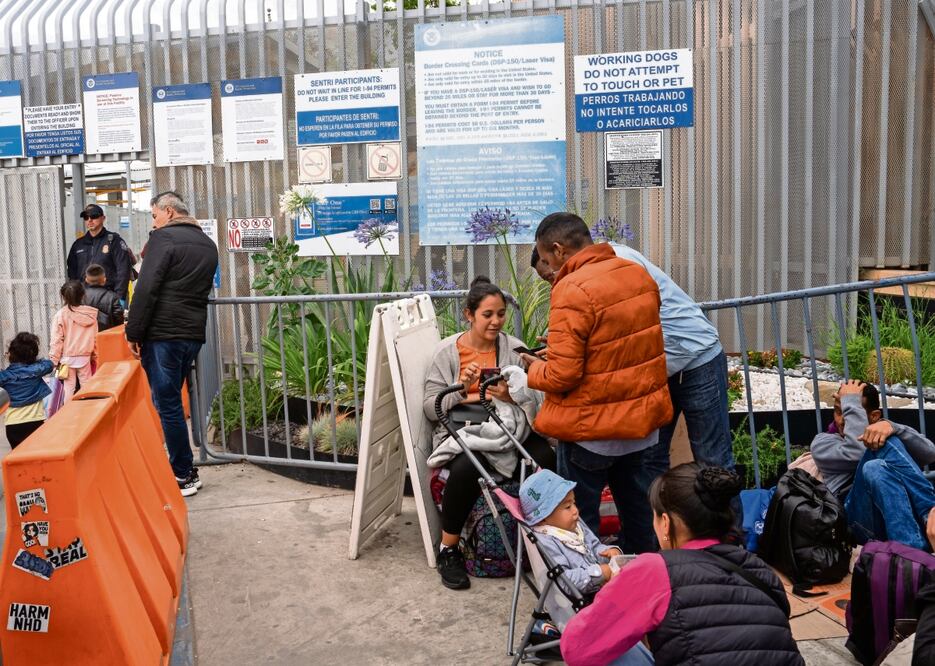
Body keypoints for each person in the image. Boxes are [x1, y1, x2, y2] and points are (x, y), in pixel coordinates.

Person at [523, 212, 672, 554]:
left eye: (547, 261)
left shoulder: (571, 287)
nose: (550, 270)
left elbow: (563, 375)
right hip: (640, 428)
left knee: (580, 520)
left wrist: (530, 372)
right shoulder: (636, 274)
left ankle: (592, 591)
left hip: (591, 433)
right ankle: (643, 584)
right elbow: (620, 346)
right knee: (639, 515)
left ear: (559, 250)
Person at [560, 463, 804, 666]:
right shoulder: (760, 569)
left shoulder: (654, 569)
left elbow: (575, 648)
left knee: (610, 644)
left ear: (665, 523)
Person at [531, 243, 732, 472]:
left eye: (549, 276)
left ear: (559, 252)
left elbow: (626, 329)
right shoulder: (593, 274)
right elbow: (612, 335)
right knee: (650, 461)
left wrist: (564, 355)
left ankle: (726, 509)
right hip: (657, 369)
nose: (553, 284)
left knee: (714, 463)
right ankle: (657, 509)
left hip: (696, 358)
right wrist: (569, 347)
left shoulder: (619, 263)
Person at [423, 276, 557, 590]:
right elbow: (431, 408)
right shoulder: (447, 354)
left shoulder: (512, 349)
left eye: (500, 314)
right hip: (466, 426)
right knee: (468, 468)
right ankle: (449, 548)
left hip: (510, 424)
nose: (496, 321)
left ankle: (547, 543)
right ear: (468, 314)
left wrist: (512, 396)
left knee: (543, 460)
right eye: (487, 315)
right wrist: (461, 388)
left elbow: (534, 395)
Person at [126, 192, 218, 497]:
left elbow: (146, 288)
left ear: (168, 212)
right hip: (191, 334)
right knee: (170, 403)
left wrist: (133, 331)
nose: (153, 222)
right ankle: (181, 464)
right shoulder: (207, 244)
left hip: (163, 334)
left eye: (153, 215)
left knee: (167, 404)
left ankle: (183, 473)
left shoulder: (163, 240)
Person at [810, 380, 935, 550]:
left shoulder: (881, 428)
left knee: (874, 467)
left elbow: (929, 453)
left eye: (850, 411)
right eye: (839, 411)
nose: (841, 420)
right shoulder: (823, 443)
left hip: (899, 518)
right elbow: (859, 451)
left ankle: (911, 548)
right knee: (884, 442)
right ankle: (929, 510)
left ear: (874, 416)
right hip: (856, 522)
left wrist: (891, 426)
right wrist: (853, 403)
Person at [520, 469, 621, 596]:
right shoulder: (547, 541)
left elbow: (595, 547)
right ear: (543, 517)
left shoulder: (575, 524)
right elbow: (564, 580)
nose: (575, 511)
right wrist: (599, 572)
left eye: (574, 503)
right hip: (585, 596)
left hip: (603, 584)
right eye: (567, 507)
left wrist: (609, 551)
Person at [66, 204, 133, 303]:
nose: (89, 220)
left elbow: (123, 270)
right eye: (86, 217)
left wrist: (119, 298)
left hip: (109, 297)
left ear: (103, 218)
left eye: (94, 216)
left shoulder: (114, 241)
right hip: (84, 298)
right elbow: (72, 272)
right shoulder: (78, 244)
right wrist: (76, 296)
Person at [0, 333, 54, 448]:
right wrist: (33, 362)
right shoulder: (37, 370)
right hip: (36, 422)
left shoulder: (4, 376)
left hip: (13, 425)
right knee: (36, 458)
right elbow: (49, 364)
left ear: (11, 355)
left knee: (18, 460)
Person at [49, 281, 99, 403]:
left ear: (63, 296)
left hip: (67, 359)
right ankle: (89, 411)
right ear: (82, 295)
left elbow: (56, 340)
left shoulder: (60, 315)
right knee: (87, 386)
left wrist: (53, 361)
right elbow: (95, 338)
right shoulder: (90, 315)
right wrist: (95, 357)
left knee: (68, 388)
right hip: (85, 357)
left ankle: (68, 414)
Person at [83, 264, 124, 331]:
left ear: (86, 280)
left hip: (86, 338)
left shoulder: (80, 296)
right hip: (107, 337)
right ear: (104, 280)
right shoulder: (112, 296)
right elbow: (119, 319)